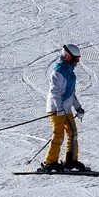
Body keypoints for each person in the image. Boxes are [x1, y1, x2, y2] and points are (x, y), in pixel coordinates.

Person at [38, 44, 89, 173]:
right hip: (56, 109)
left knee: (73, 134)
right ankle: (50, 162)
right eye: (75, 59)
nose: (77, 62)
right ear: (67, 57)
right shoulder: (58, 71)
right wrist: (59, 108)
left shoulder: (70, 73)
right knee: (58, 135)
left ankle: (70, 160)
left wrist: (78, 107)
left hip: (65, 109)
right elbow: (55, 92)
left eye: (78, 59)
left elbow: (71, 93)